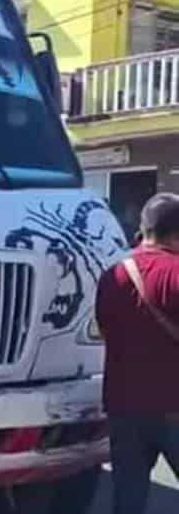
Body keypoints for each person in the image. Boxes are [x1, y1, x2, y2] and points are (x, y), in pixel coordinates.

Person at [96, 192, 179, 514]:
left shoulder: (112, 275)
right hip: (173, 406)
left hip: (123, 408)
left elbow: (105, 333)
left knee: (128, 500)